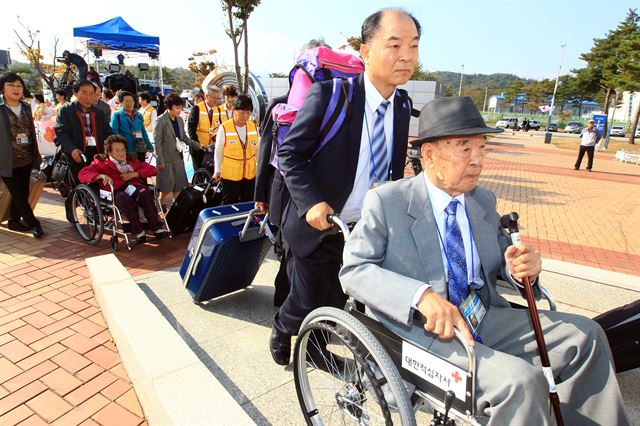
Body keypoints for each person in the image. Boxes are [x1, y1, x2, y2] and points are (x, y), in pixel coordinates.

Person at [340, 96, 628, 426]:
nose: (478, 160)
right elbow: (354, 270)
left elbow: (505, 262)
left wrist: (522, 269)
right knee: (519, 383)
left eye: (482, 147)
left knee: (586, 337)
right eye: (465, 148)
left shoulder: (482, 200)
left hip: (483, 315)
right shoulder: (388, 201)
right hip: (422, 331)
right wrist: (421, 296)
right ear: (430, 154)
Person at [269, 8, 420, 366]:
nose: (407, 56)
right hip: (318, 222)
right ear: (365, 51)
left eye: (413, 46)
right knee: (306, 298)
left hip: (363, 227)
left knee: (338, 296)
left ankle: (316, 346)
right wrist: (312, 203)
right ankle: (282, 326)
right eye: (394, 44)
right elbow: (290, 153)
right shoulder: (331, 95)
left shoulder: (402, 104)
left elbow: (391, 168)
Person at [78, 135, 167, 245]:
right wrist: (100, 176)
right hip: (115, 191)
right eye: (117, 150)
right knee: (123, 198)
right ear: (109, 152)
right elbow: (82, 174)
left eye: (123, 149)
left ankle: (155, 227)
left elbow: (152, 169)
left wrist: (134, 174)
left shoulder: (131, 161)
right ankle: (139, 230)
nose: (121, 153)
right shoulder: (101, 162)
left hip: (133, 187)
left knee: (145, 193)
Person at [0, 72, 44, 237]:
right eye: (11, 85)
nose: (16, 88)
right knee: (18, 193)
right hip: (5, 159)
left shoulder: (26, 106)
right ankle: (34, 224)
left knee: (22, 192)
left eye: (19, 85)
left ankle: (13, 220)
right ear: (3, 88)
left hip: (25, 157)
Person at [55, 80, 114, 184]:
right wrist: (72, 149)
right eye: (84, 93)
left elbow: (108, 131)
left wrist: (118, 144)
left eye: (91, 94)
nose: (88, 97)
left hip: (96, 153)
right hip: (77, 152)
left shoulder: (99, 113)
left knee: (96, 183)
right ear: (75, 93)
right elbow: (61, 133)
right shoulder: (66, 111)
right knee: (79, 184)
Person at [153, 93, 202, 208]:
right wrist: (160, 160)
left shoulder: (180, 120)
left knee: (179, 187)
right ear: (169, 107)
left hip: (178, 157)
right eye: (177, 108)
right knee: (166, 188)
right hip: (165, 159)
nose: (179, 110)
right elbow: (157, 142)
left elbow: (183, 137)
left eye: (181, 108)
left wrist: (197, 145)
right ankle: (159, 206)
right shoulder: (160, 121)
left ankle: (176, 211)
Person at [213, 95, 258, 204]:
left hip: (250, 174)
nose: (245, 116)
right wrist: (217, 169)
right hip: (230, 175)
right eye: (242, 113)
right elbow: (218, 150)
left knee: (248, 203)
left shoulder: (253, 126)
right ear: (234, 110)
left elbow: (258, 148)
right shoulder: (224, 127)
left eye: (248, 113)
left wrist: (259, 166)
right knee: (229, 203)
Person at [110, 91, 153, 162]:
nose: (129, 103)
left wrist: (149, 145)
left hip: (140, 148)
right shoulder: (116, 116)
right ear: (120, 103)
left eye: (131, 101)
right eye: (126, 101)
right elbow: (115, 133)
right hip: (126, 150)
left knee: (141, 168)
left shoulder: (139, 115)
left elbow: (143, 132)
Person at [188, 86, 223, 170]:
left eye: (217, 98)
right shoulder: (196, 109)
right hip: (198, 148)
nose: (216, 100)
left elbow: (219, 128)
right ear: (206, 96)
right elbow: (191, 130)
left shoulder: (217, 110)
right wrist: (198, 146)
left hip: (211, 149)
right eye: (214, 98)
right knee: (200, 175)